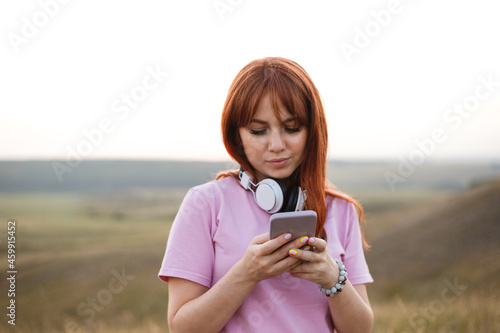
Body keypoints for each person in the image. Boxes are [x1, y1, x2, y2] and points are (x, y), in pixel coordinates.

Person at [158, 57, 374, 332]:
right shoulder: (205, 204)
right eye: (258, 131)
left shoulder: (341, 210)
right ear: (237, 136)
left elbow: (360, 329)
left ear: (313, 130)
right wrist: (246, 274)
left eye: (292, 128)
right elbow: (182, 328)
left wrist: (334, 278)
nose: (276, 145)